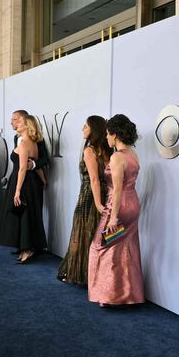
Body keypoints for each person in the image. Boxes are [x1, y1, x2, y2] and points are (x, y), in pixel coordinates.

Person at [87, 114, 144, 307]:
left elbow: (118, 189)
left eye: (108, 134)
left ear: (115, 135)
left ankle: (108, 295)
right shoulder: (132, 154)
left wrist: (113, 218)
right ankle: (128, 294)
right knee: (125, 247)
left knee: (100, 246)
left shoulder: (117, 156)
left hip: (118, 207)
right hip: (133, 205)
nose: (106, 138)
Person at [57, 115, 111, 284]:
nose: (82, 129)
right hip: (105, 193)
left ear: (93, 130)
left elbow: (94, 179)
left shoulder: (89, 150)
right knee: (98, 233)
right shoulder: (108, 151)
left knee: (82, 232)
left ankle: (80, 274)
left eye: (86, 126)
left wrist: (97, 203)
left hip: (89, 195)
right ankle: (95, 274)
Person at [0, 115, 47, 263]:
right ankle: (25, 248)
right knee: (26, 215)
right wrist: (43, 180)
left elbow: (23, 168)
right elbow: (34, 166)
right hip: (29, 182)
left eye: (19, 122)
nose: (16, 124)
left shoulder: (24, 144)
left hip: (22, 182)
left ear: (27, 126)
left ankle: (27, 250)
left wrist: (17, 191)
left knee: (23, 215)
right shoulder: (34, 144)